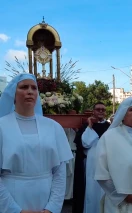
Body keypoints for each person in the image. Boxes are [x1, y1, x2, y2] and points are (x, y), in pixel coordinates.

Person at [0, 73, 73, 213]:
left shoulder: (53, 127)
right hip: (11, 199)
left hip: (46, 201)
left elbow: (59, 172)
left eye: (34, 88)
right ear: (13, 93)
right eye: (24, 87)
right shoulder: (2, 126)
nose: (29, 91)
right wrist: (15, 210)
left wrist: (52, 208)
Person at [72, 102, 110, 213]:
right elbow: (85, 143)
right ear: (93, 111)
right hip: (91, 164)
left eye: (103, 109)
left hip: (106, 164)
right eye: (98, 109)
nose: (101, 111)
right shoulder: (86, 126)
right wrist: (89, 126)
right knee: (91, 190)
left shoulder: (109, 127)